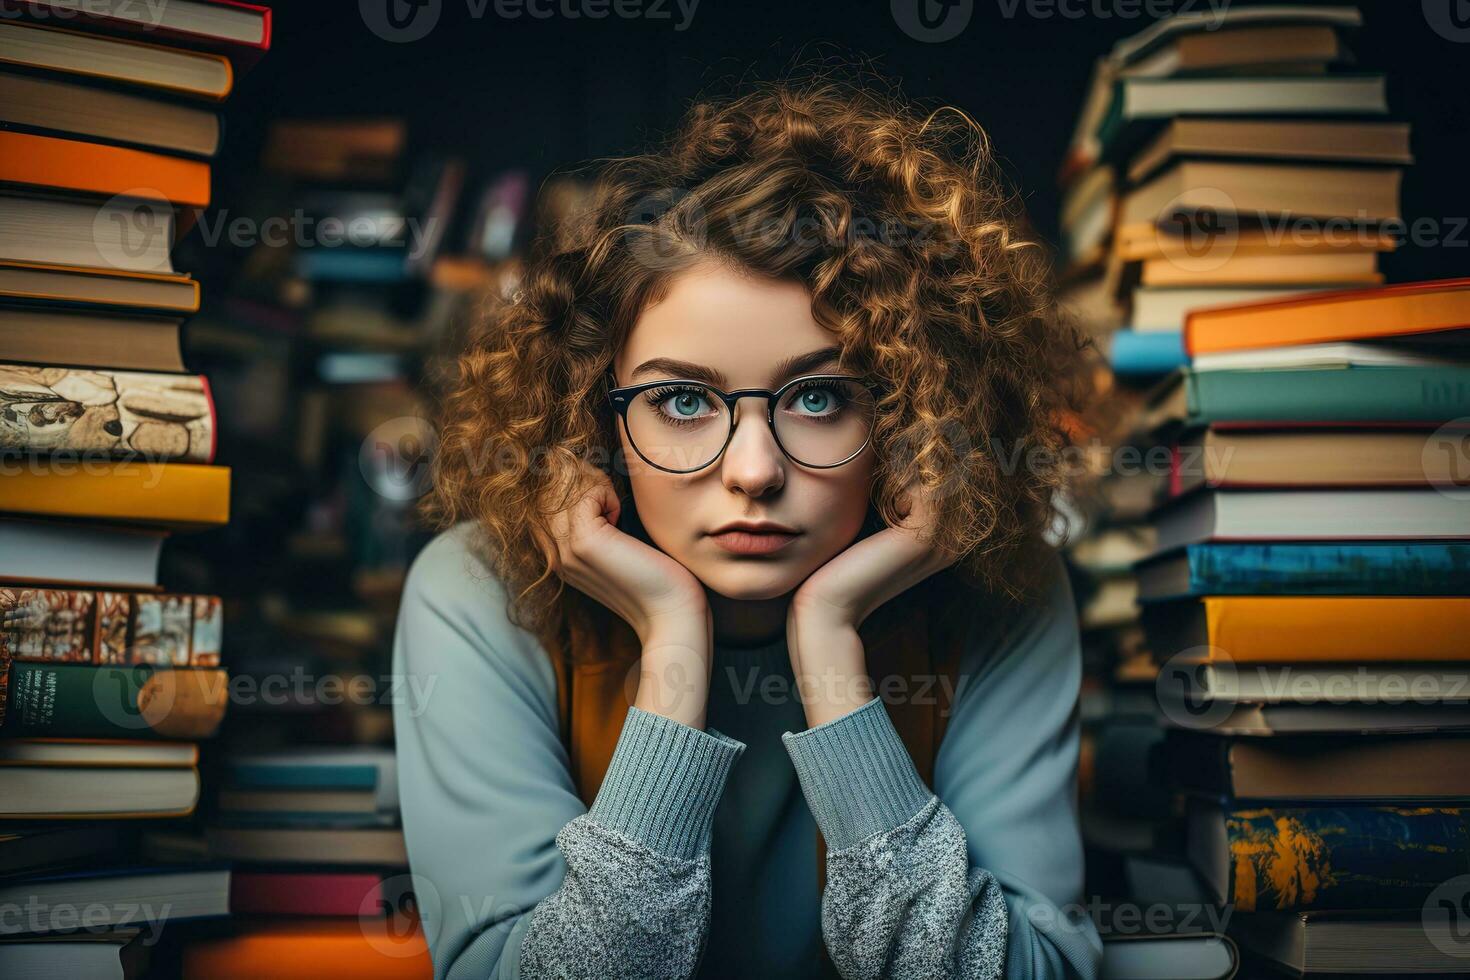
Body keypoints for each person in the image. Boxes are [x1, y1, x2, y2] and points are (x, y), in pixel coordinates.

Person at [392, 72, 1104, 979]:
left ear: (911, 411)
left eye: (820, 396)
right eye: (683, 399)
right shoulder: (479, 593)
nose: (756, 470)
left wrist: (832, 651)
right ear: (597, 418)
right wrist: (671, 642)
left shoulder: (1006, 587)